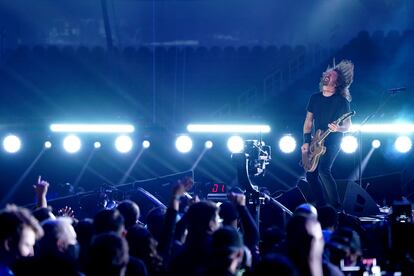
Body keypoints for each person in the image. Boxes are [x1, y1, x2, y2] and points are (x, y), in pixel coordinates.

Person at [301, 60, 354, 209]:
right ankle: (322, 205)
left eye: (330, 75)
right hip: (316, 140)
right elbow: (308, 121)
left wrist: (338, 128)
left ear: (336, 83)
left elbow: (348, 126)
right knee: (310, 175)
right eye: (326, 74)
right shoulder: (315, 98)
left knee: (324, 170)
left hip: (333, 141)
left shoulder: (342, 101)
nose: (326, 75)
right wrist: (306, 141)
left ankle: (337, 207)